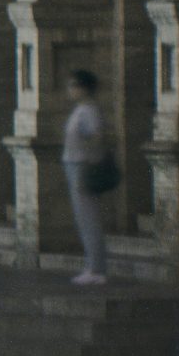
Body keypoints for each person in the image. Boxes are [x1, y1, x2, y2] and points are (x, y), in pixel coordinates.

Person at [64, 70, 111, 286]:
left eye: (74, 85)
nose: (70, 90)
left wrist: (88, 160)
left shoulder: (89, 111)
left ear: (84, 87)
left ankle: (96, 268)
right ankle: (92, 265)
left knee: (88, 218)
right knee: (84, 217)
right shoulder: (81, 110)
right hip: (76, 164)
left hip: (82, 165)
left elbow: (97, 137)